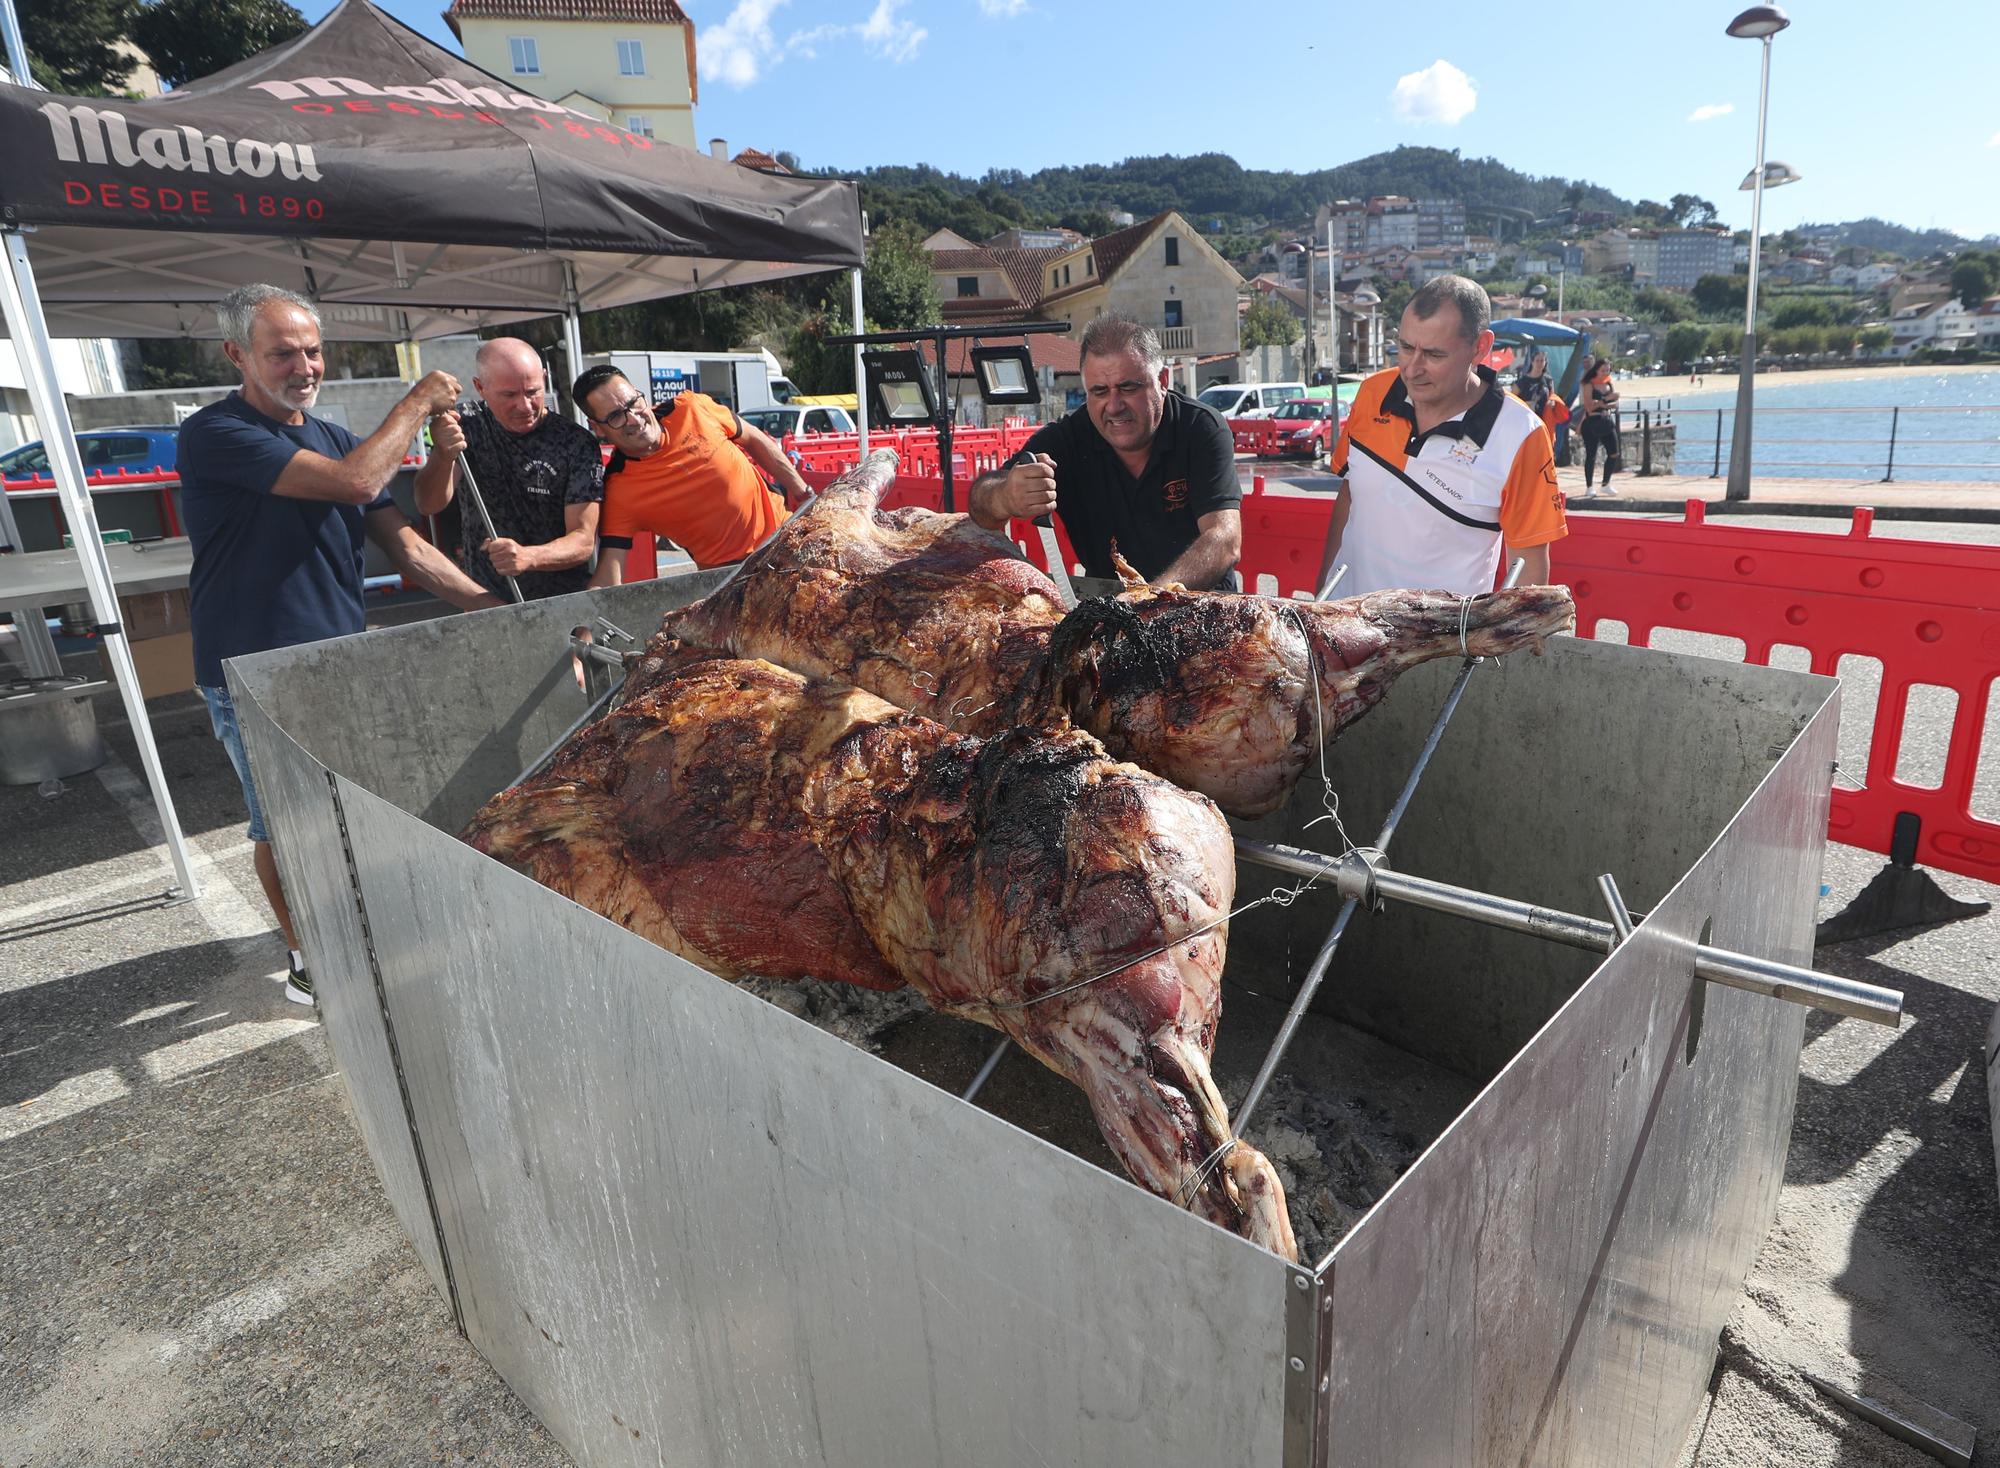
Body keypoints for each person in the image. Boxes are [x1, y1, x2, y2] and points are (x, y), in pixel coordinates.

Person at [180, 283, 502, 1004]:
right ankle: (307, 958)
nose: (305, 366)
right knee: (284, 825)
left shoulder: (328, 435)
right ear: (238, 355)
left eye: (314, 350)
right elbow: (360, 483)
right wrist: (417, 402)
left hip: (336, 661)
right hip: (251, 669)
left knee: (349, 807)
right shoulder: (217, 433)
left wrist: (492, 607)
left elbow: (408, 548)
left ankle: (358, 926)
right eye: (283, 352)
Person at [1315, 274, 1567, 598]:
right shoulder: (1372, 392)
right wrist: (1320, 600)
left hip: (1442, 644)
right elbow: (1351, 495)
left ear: (1481, 348)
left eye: (1434, 355)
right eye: (1405, 347)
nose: (1412, 369)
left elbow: (1528, 568)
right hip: (1347, 629)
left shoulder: (1522, 435)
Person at [967, 315, 1242, 590]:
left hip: (1205, 608)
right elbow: (980, 506)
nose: (1113, 406)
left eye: (1128, 387)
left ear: (1162, 381)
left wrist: (1150, 600)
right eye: (1099, 391)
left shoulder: (1200, 427)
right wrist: (1006, 495)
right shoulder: (1068, 438)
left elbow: (1224, 539)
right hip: (1107, 608)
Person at [573, 366, 811, 583]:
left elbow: (754, 438)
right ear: (596, 426)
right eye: (615, 416)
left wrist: (803, 492)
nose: (634, 419)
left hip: (788, 535)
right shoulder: (620, 488)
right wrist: (585, 624)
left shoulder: (691, 407)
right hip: (731, 580)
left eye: (633, 402)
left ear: (638, 393)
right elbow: (609, 573)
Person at [413, 337, 605, 600]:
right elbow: (428, 504)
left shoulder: (575, 442)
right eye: (509, 395)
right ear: (480, 387)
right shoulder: (466, 425)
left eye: (533, 392)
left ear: (545, 378)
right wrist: (443, 455)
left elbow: (582, 541)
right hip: (487, 600)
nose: (524, 406)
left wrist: (528, 556)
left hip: (562, 602)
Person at [1576, 358, 1622, 497]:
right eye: (1603, 370)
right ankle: (1589, 486)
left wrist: (1607, 404)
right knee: (1591, 455)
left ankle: (1606, 483)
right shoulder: (1589, 384)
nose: (1605, 373)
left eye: (1608, 370)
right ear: (1596, 370)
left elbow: (1614, 401)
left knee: (1614, 453)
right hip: (1592, 421)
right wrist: (1605, 402)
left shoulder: (1608, 383)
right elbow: (1589, 406)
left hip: (1606, 419)